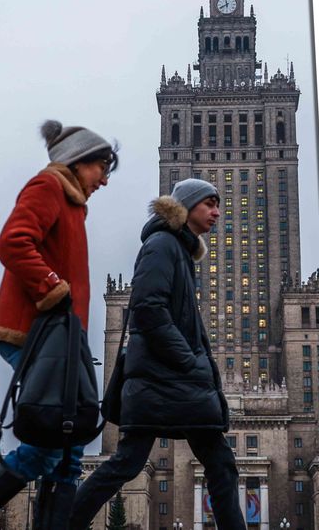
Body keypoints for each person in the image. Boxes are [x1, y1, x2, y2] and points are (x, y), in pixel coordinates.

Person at [0, 119, 117, 530]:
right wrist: (52, 287)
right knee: (46, 449)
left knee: (68, 453)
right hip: (34, 333)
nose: (104, 178)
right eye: (102, 166)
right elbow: (13, 241)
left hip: (61, 338)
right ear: (79, 160)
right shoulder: (48, 186)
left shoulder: (72, 203)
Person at [68, 179, 246, 530]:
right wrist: (189, 361)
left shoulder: (177, 248)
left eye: (218, 205)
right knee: (133, 463)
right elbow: (148, 310)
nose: (216, 212)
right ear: (187, 206)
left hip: (167, 382)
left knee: (214, 464)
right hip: (165, 381)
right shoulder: (163, 244)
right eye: (209, 204)